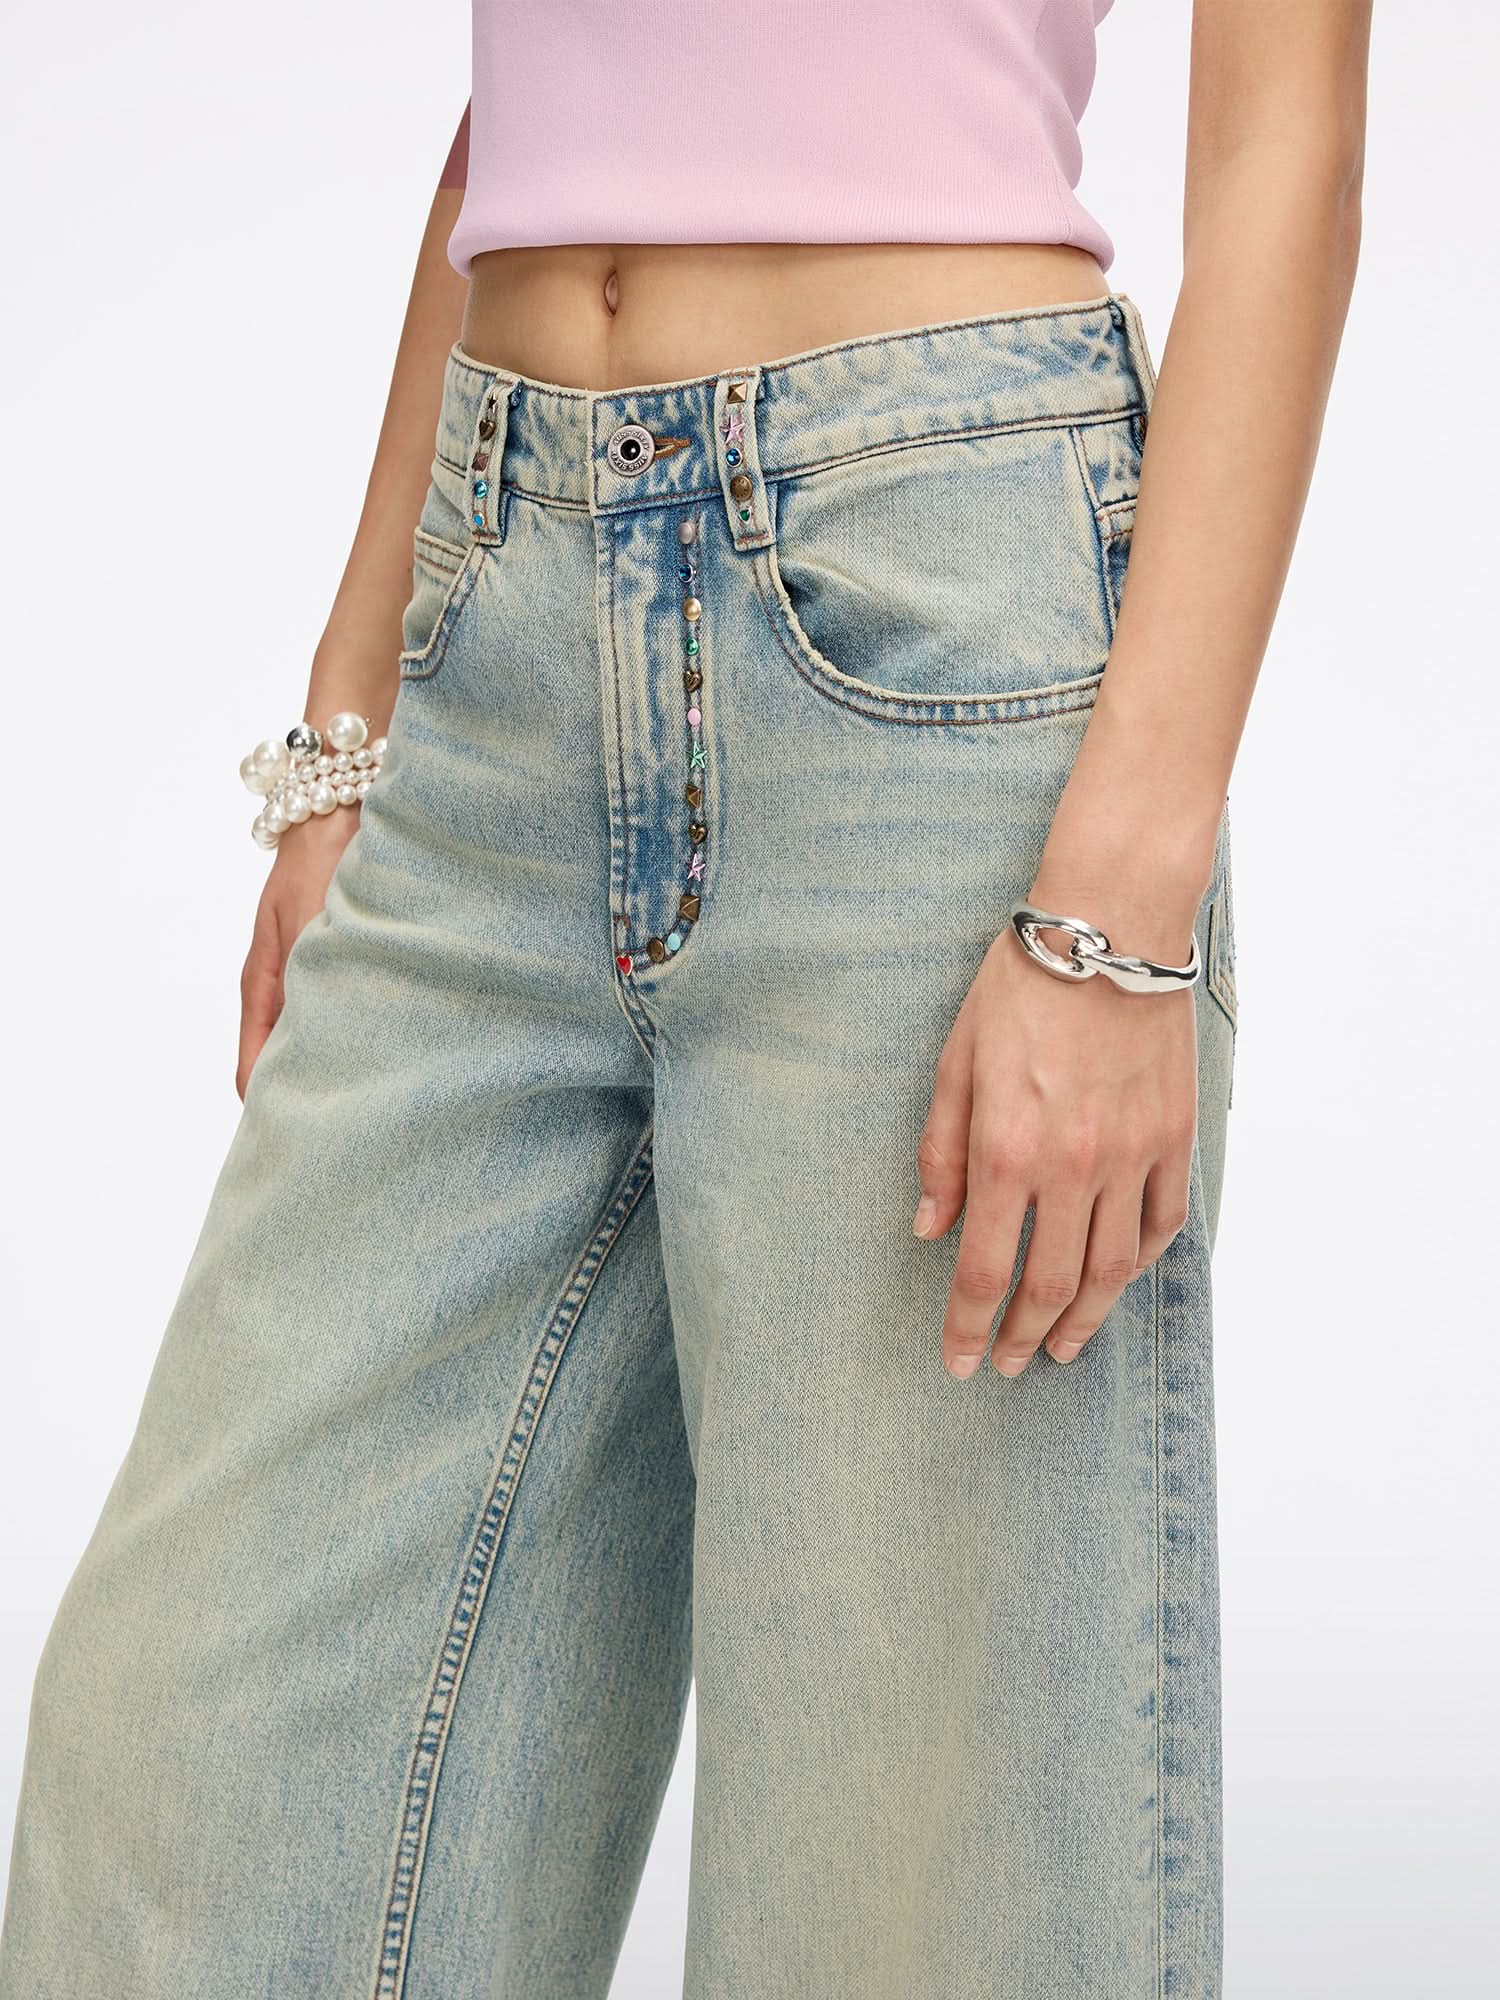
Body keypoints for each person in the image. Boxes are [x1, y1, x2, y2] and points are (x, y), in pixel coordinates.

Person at [0, 3, 1370, 1994]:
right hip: (502, 609)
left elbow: (1282, 153)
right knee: (191, 1782)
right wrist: (354, 706)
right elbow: (533, 115)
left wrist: (1118, 909)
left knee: (908, 1893)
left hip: (931, 634)